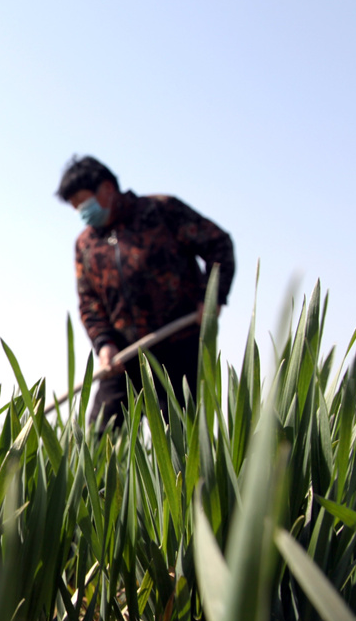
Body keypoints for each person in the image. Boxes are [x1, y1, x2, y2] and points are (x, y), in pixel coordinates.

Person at [56, 155, 235, 428]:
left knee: (184, 438)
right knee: (97, 443)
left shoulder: (161, 211)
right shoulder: (86, 244)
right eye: (75, 207)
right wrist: (104, 344)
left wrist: (212, 297)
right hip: (124, 359)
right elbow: (89, 302)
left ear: (106, 188)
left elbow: (218, 244)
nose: (81, 211)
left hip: (179, 346)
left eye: (83, 202)